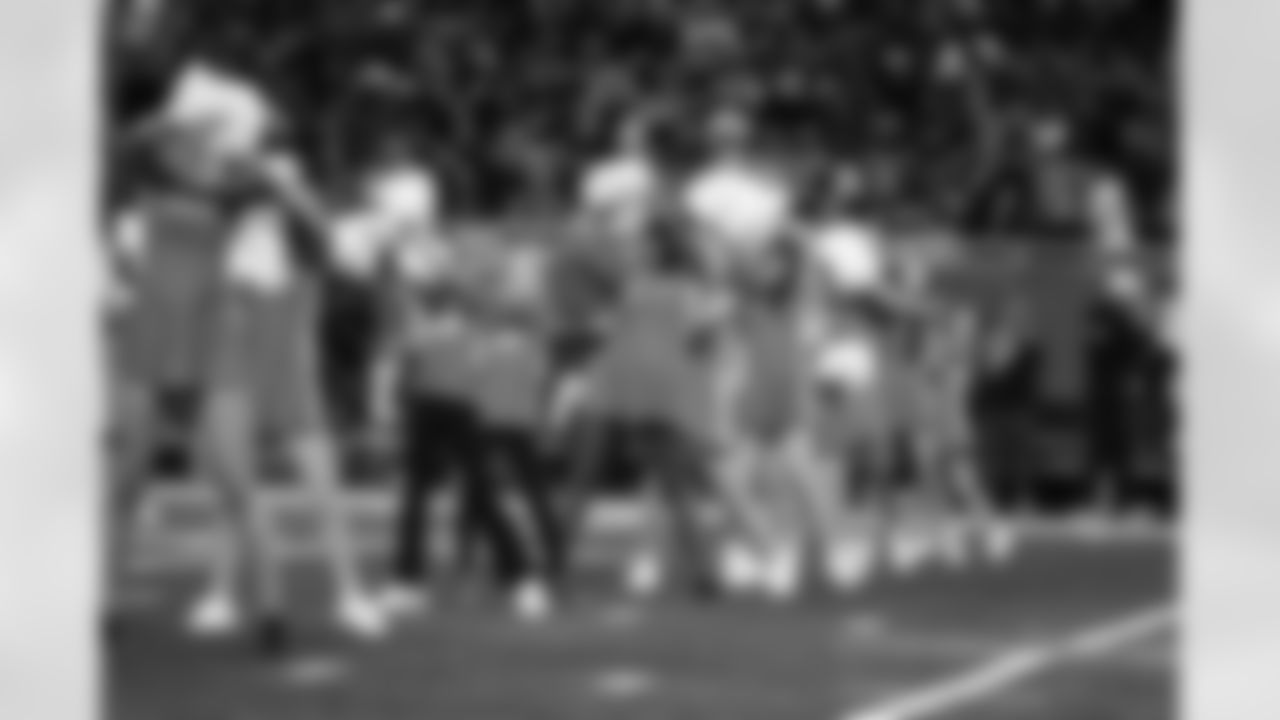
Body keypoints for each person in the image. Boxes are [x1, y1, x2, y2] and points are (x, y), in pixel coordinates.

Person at [115, 61, 388, 651]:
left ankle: (348, 593)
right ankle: (223, 593)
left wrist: (282, 184)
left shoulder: (266, 183)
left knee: (315, 480)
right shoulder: (208, 180)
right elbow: (153, 161)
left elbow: (327, 249)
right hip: (229, 338)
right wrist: (200, 124)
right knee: (229, 476)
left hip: (283, 349)